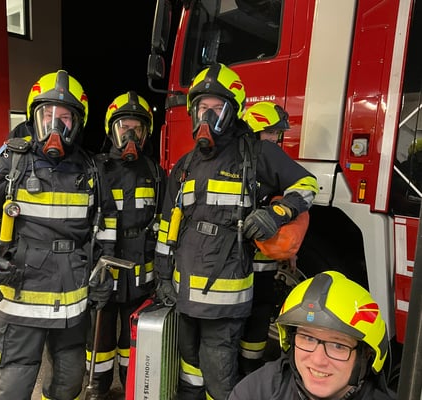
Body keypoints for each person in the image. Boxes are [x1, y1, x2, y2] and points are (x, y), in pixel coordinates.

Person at [153, 63, 319, 400]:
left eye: (217, 108)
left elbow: (308, 185)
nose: (208, 116)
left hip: (225, 300)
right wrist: (162, 275)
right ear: (192, 111)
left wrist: (277, 213)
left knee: (219, 376)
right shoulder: (184, 166)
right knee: (189, 370)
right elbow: (169, 224)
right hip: (185, 293)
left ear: (233, 112)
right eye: (203, 108)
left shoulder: (257, 153)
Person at [0, 69, 117, 400]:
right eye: (48, 115)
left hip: (72, 297)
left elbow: (106, 221)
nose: (55, 126)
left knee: (69, 382)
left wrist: (104, 270)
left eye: (65, 118)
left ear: (77, 123)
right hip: (22, 295)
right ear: (34, 116)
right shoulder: (12, 160)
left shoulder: (91, 169)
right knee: (13, 385)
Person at [85, 91, 166, 399]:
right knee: (100, 335)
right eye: (124, 127)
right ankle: (98, 385)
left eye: (137, 128)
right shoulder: (96, 168)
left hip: (140, 272)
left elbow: (163, 221)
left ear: (146, 133)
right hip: (105, 269)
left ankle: (130, 383)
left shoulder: (155, 172)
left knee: (133, 336)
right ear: (112, 130)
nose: (130, 135)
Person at [228, 270, 397, 400]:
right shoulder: (256, 392)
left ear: (366, 354)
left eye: (338, 345)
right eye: (308, 338)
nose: (318, 360)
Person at [238, 100, 309, 375]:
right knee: (238, 320)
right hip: (238, 265)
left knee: (258, 317)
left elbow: (296, 200)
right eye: (270, 132)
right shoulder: (239, 163)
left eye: (277, 134)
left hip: (262, 264)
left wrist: (290, 247)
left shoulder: (271, 163)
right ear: (254, 130)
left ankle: (251, 371)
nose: (274, 140)